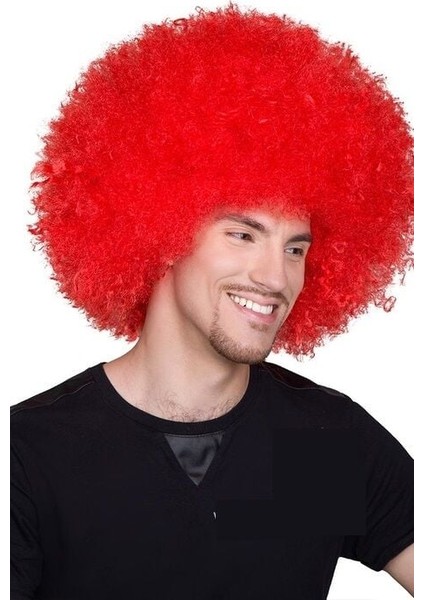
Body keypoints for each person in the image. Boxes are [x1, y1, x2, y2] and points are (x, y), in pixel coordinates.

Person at [10, 4, 414, 599]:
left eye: (295, 248)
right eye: (243, 234)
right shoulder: (30, 455)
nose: (275, 277)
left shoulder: (326, 442)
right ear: (160, 230)